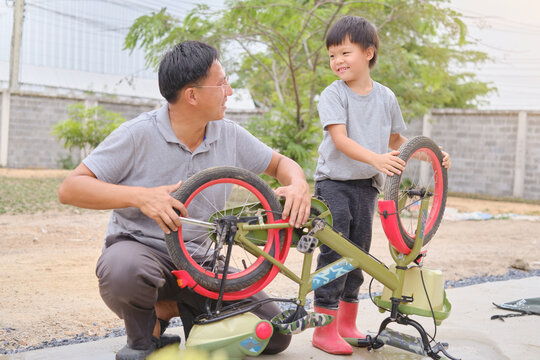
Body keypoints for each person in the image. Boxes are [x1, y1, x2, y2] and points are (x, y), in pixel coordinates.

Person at [58, 40, 311, 360]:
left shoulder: (228, 133)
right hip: (142, 251)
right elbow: (70, 188)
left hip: (200, 262)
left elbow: (280, 165)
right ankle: (142, 340)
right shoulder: (138, 134)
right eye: (222, 83)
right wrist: (140, 197)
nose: (229, 91)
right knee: (124, 271)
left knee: (272, 336)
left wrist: (298, 184)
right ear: (192, 95)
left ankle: (179, 309)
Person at [311, 16, 451, 355]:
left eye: (344, 53)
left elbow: (396, 140)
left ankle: (346, 323)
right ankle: (323, 328)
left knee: (360, 254)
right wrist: (376, 159)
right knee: (335, 252)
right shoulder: (333, 95)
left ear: (369, 52)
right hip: (333, 184)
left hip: (366, 187)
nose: (337, 62)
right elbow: (341, 140)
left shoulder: (385, 97)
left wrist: (431, 154)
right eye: (332, 56)